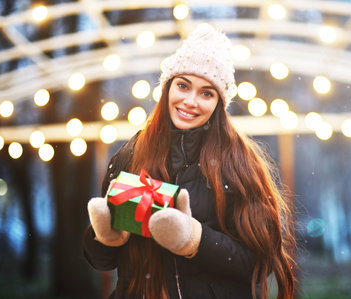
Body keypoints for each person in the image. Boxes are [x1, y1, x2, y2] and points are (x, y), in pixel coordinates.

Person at [83, 24, 296, 299]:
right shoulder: (129, 155)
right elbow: (103, 262)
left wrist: (194, 240)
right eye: (183, 86)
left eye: (207, 93)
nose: (190, 101)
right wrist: (105, 239)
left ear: (219, 102)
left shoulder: (239, 162)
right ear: (168, 87)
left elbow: (259, 263)